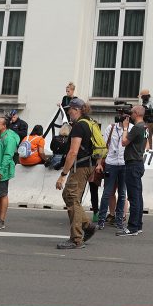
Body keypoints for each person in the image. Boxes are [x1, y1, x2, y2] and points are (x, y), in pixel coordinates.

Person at [55, 98, 97, 249]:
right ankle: (87, 225)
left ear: (77, 109)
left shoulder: (79, 126)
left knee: (72, 198)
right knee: (69, 196)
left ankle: (76, 239)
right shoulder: (90, 122)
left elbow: (73, 152)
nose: (68, 112)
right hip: (88, 165)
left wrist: (63, 174)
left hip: (79, 166)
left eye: (70, 109)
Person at [97, 110, 128, 230]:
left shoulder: (131, 128)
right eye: (121, 115)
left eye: (125, 115)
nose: (122, 117)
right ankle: (101, 220)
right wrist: (99, 163)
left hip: (124, 164)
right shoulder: (111, 127)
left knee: (122, 193)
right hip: (111, 163)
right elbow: (103, 146)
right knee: (107, 192)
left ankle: (119, 219)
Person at [120, 105, 147, 235]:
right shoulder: (145, 127)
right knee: (138, 196)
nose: (130, 115)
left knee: (134, 197)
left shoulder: (137, 127)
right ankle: (138, 224)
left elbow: (124, 142)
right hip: (139, 162)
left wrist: (125, 128)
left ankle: (132, 227)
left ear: (136, 113)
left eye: (131, 113)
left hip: (133, 163)